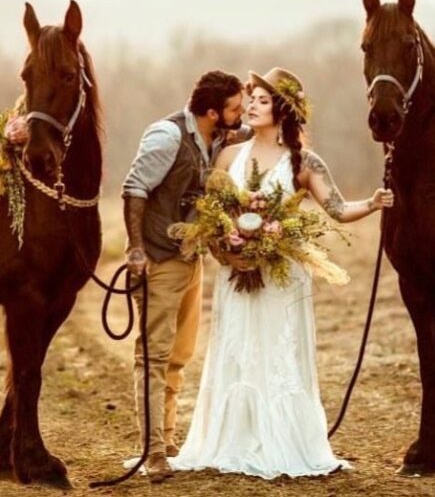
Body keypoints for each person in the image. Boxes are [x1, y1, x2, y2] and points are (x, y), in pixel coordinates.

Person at [169, 67, 394, 479]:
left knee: (278, 351)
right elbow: (210, 213)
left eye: (261, 99)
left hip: (282, 277)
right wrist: (227, 251)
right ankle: (233, 437)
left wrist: (374, 202)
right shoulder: (229, 154)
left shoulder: (303, 162)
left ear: (283, 110)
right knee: (238, 349)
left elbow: (338, 210)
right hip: (236, 275)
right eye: (250, 98)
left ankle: (283, 439)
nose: (251, 105)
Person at [121, 70, 249, 483]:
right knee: (154, 356)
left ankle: (169, 439)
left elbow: (257, 128)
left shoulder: (217, 136)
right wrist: (137, 249)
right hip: (158, 259)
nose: (241, 113)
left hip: (189, 259)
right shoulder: (167, 136)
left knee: (178, 355)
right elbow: (135, 188)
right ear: (213, 111)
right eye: (234, 107)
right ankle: (152, 452)